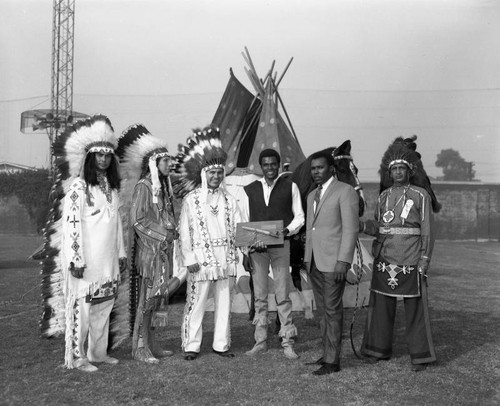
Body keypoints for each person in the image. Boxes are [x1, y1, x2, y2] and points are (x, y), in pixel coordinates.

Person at [359, 137, 437, 372]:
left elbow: (427, 230)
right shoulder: (383, 197)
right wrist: (361, 225)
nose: (398, 172)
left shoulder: (421, 195)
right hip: (385, 258)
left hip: (412, 258)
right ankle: (377, 350)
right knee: (381, 307)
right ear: (389, 172)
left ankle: (420, 356)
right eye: (394, 169)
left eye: (402, 168)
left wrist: (425, 258)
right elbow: (379, 226)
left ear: (410, 170)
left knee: (415, 310)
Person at [58, 115, 127, 372]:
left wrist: (120, 253)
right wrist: (75, 259)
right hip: (86, 263)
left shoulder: (112, 189)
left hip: (107, 262)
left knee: (103, 309)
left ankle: (97, 354)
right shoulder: (78, 187)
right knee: (83, 312)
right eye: (98, 155)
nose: (103, 159)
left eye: (107, 156)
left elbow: (116, 223)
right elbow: (71, 226)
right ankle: (77, 357)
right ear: (90, 158)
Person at [176, 126, 242, 361]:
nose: (216, 176)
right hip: (201, 261)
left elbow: (239, 227)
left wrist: (242, 251)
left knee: (224, 302)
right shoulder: (191, 200)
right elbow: (184, 231)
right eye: (211, 173)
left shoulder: (229, 199)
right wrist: (190, 258)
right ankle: (192, 346)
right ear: (204, 174)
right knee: (197, 302)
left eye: (219, 173)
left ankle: (221, 345)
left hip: (225, 259)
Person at [118, 124, 178, 364]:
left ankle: (152, 343)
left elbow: (164, 217)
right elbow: (138, 221)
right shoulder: (144, 187)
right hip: (149, 256)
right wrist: (163, 233)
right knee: (146, 301)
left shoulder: (162, 188)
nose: (169, 164)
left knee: (156, 302)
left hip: (162, 254)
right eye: (165, 161)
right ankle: (139, 347)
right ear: (154, 163)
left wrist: (172, 231)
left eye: (169, 161)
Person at [240, 149, 305, 360]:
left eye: (273, 164)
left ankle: (287, 341)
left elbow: (300, 217)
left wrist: (287, 231)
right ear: (261, 166)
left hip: (281, 246)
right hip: (257, 249)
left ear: (278, 165)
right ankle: (260, 341)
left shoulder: (290, 186)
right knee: (259, 296)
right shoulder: (249, 189)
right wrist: (246, 248)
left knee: (282, 295)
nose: (269, 168)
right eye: (265, 164)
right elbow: (243, 221)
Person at [303, 150, 359, 375]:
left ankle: (333, 362)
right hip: (314, 262)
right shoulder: (310, 196)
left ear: (331, 169)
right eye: (313, 168)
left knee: (333, 311)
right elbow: (311, 229)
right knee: (324, 311)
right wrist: (307, 259)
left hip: (334, 263)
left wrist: (343, 262)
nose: (316, 172)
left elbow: (351, 229)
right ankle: (327, 354)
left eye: (320, 168)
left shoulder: (345, 192)